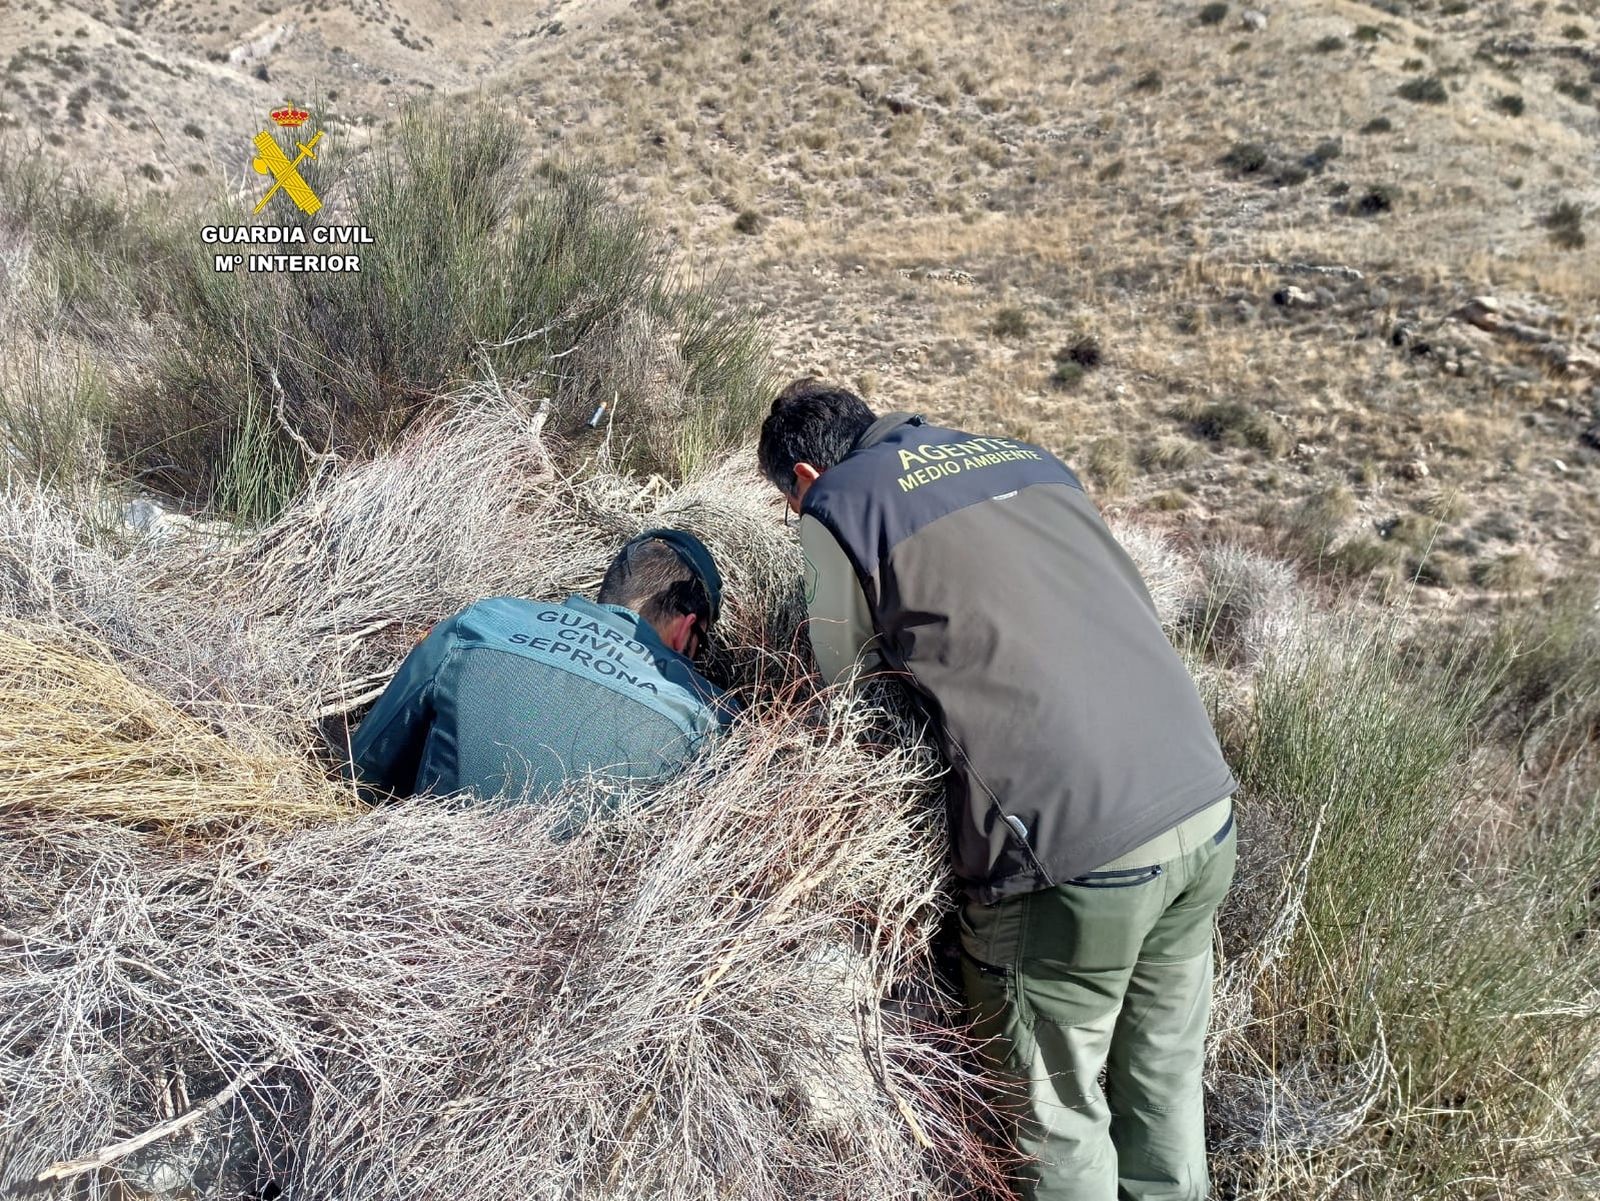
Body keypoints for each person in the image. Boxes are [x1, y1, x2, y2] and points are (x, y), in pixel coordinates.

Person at [757, 379, 1238, 1201]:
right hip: (1201, 807)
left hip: (1065, 854)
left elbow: (843, 684)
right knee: (1162, 1089)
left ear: (805, 477)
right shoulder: (1027, 457)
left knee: (1056, 1122)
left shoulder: (842, 502)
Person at [347, 529, 738, 824]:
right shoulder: (712, 717)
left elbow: (361, 769)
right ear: (688, 628)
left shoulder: (482, 622)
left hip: (414, 891)